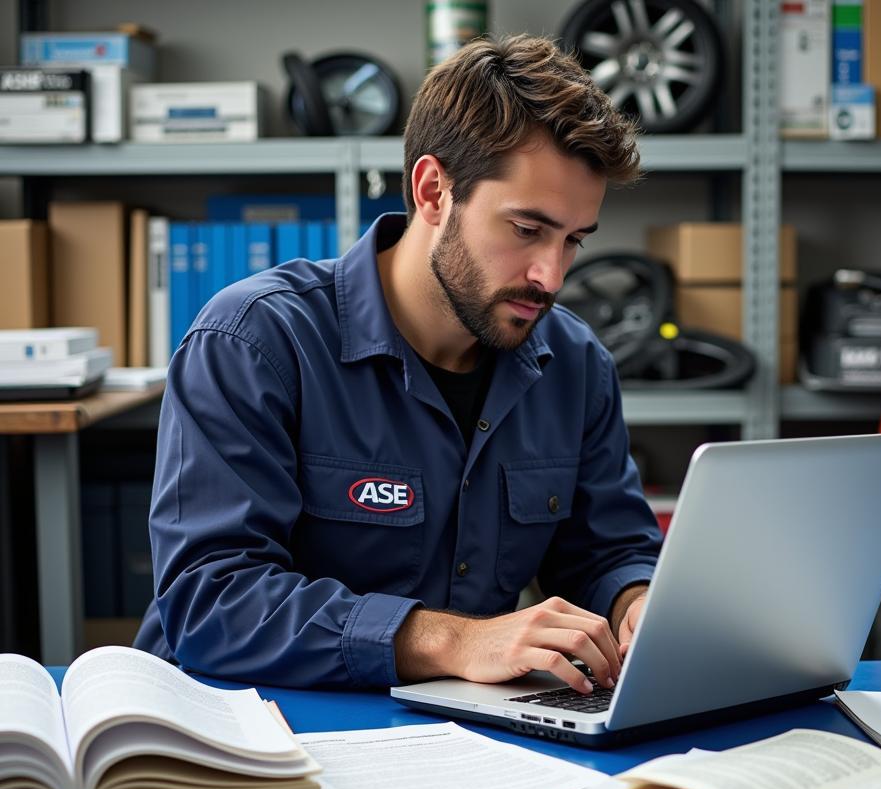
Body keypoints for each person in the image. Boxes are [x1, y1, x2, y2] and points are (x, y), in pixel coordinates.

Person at [134, 34, 663, 696]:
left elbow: (608, 552)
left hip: (453, 737)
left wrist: (638, 605)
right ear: (434, 191)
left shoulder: (576, 364)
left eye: (573, 241)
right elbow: (211, 604)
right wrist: (456, 639)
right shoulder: (253, 342)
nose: (549, 275)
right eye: (527, 230)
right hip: (247, 740)